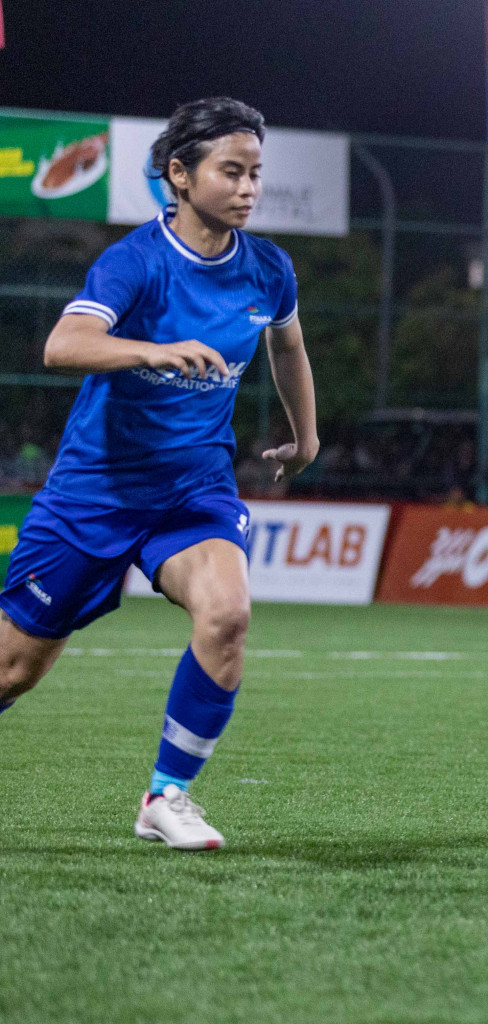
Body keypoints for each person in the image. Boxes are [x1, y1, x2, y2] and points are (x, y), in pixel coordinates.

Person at [0, 98, 318, 849]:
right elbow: (64, 343)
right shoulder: (135, 262)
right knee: (13, 672)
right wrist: (152, 350)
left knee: (227, 614)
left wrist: (305, 438)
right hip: (93, 496)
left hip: (192, 493)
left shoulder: (268, 268)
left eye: (256, 174)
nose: (248, 188)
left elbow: (289, 350)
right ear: (180, 173)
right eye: (231, 171)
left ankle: (166, 796)